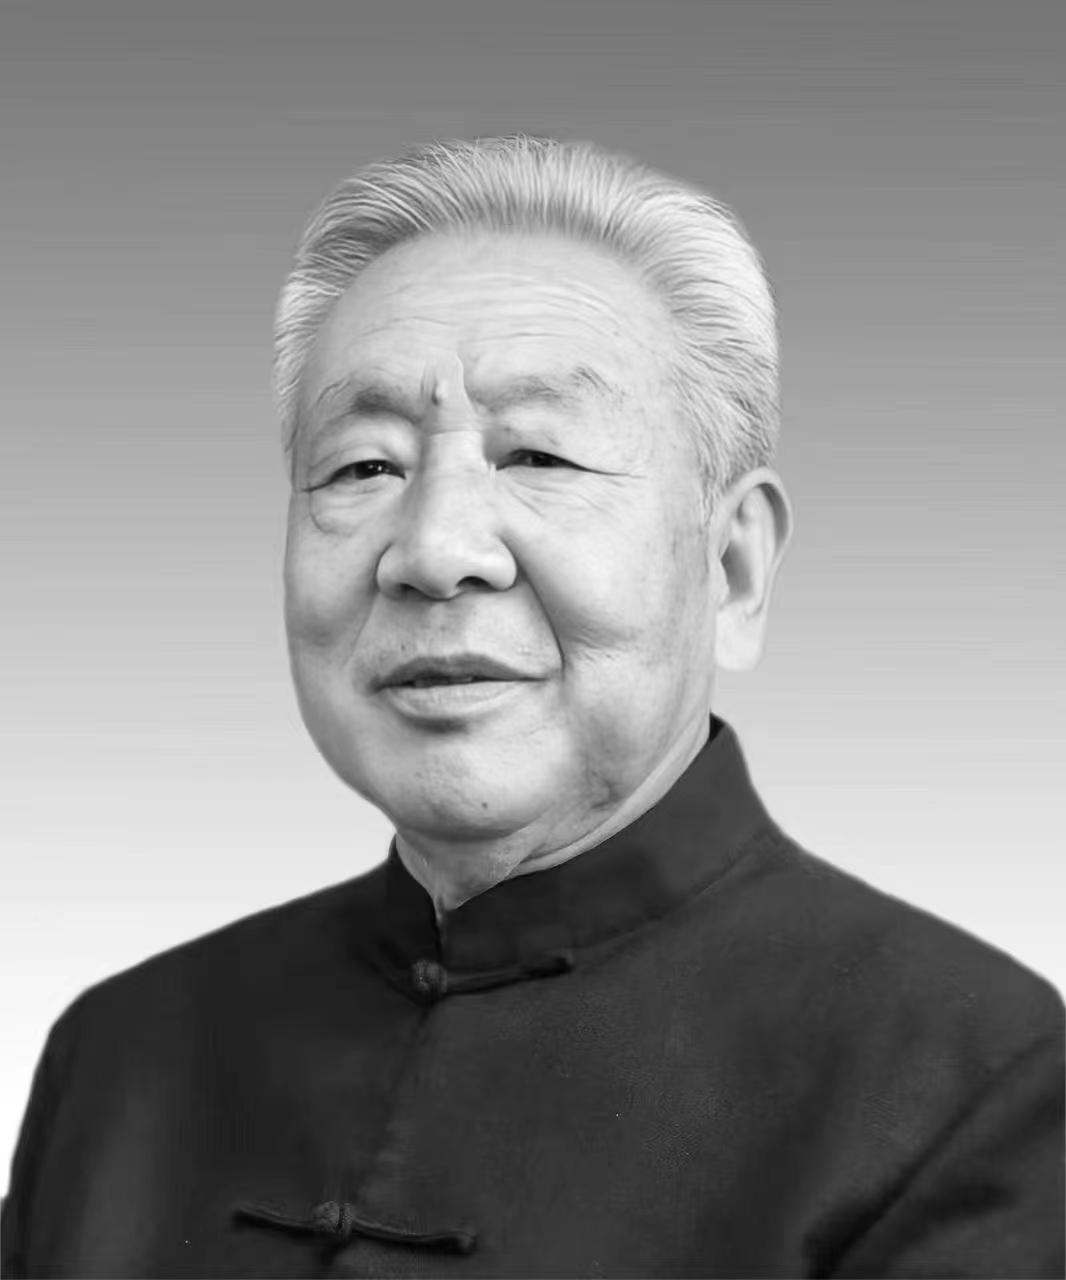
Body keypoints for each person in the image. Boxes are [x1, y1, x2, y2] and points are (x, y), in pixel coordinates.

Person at [2, 135, 1062, 1279]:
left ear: (732, 568)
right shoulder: (122, 1052)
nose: (433, 549)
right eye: (363, 466)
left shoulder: (971, 1085)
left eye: (539, 454)